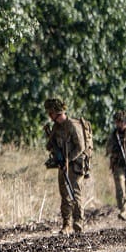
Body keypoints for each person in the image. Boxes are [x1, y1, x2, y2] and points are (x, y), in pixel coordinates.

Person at [44, 98, 87, 234]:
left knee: (74, 192)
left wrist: (68, 160)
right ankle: (66, 224)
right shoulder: (56, 127)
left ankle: (78, 222)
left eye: (51, 113)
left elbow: (81, 147)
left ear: (57, 112)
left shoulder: (72, 125)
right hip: (62, 164)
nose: (49, 116)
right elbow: (50, 146)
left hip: (75, 165)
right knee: (64, 194)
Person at [105, 110, 126, 221]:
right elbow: (108, 149)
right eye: (117, 122)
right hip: (118, 164)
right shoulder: (114, 135)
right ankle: (123, 210)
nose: (119, 124)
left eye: (121, 121)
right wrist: (115, 152)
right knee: (120, 188)